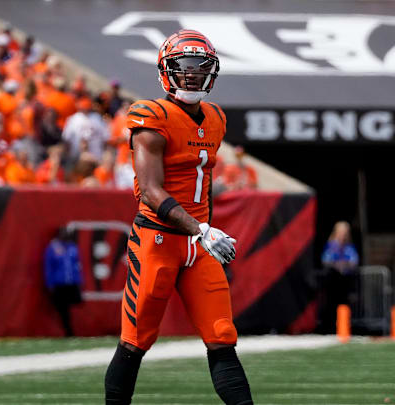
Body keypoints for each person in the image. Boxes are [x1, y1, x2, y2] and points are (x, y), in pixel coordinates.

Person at [104, 30, 252, 405]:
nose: (191, 75)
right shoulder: (150, 115)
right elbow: (151, 192)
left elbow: (204, 185)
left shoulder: (216, 118)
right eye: (183, 67)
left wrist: (204, 231)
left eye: (200, 67)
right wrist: (201, 229)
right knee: (136, 340)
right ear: (165, 72)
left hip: (198, 244)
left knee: (222, 334)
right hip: (158, 240)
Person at [318, 221, 359, 333]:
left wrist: (343, 264)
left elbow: (354, 261)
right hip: (332, 281)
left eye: (345, 233)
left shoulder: (349, 247)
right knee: (330, 305)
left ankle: (343, 329)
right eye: (341, 232)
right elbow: (326, 260)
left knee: (345, 305)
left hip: (345, 282)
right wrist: (339, 265)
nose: (343, 235)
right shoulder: (331, 246)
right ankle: (329, 329)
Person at [44, 226, 83, 337]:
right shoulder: (53, 247)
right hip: (59, 283)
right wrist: (50, 283)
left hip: (71, 283)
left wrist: (79, 280)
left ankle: (71, 330)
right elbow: (48, 267)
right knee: (63, 308)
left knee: (75, 304)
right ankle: (68, 332)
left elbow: (77, 265)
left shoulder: (72, 247)